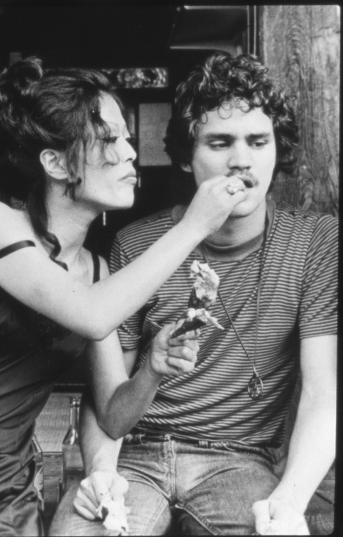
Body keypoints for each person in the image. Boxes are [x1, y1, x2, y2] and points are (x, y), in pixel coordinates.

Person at [0, 57, 247, 536]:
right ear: (55, 163)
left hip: (6, 491)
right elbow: (93, 314)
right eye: (109, 139)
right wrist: (194, 225)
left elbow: (113, 415)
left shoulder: (96, 270)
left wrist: (152, 370)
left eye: (126, 138)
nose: (129, 153)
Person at [50, 52, 337, 536]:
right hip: (135, 454)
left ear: (276, 150)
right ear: (186, 157)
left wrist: (289, 500)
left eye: (258, 141)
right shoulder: (136, 244)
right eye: (220, 142)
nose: (241, 159)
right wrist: (101, 473)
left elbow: (321, 392)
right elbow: (106, 395)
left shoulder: (315, 243)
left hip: (239, 461)